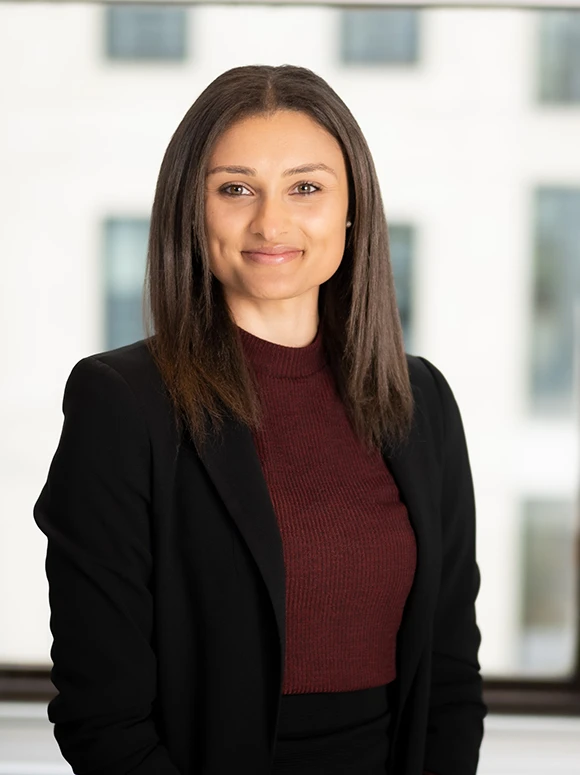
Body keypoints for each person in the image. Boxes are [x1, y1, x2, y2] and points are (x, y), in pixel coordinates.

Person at [34, 64, 487, 775]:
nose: (270, 222)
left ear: (351, 209)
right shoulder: (119, 403)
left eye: (305, 187)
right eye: (235, 188)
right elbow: (104, 717)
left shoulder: (422, 400)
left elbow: (452, 677)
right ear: (194, 208)